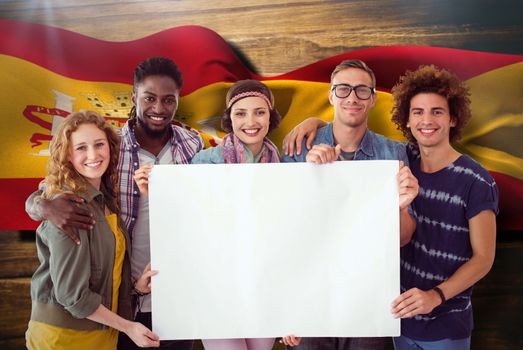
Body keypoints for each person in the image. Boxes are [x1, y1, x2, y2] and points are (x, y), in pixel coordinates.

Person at [25, 57, 203, 350]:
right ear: (134, 97)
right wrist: (44, 207)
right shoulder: (110, 148)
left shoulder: (191, 144)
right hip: (122, 300)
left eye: (168, 100)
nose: (159, 108)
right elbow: (50, 189)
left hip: (178, 291)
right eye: (149, 98)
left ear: (178, 100)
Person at [280, 59, 419, 350]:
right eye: (343, 90)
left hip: (369, 299)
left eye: (361, 90)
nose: (352, 98)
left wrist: (401, 207)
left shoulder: (394, 154)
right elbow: (284, 233)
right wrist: (285, 308)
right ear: (331, 95)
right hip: (311, 298)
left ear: (373, 98)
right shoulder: (298, 148)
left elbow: (404, 237)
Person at [134, 79, 280, 350]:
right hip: (214, 285)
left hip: (262, 284)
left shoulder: (281, 164)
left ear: (271, 116)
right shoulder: (206, 161)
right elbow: (186, 216)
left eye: (260, 112)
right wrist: (155, 193)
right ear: (230, 118)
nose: (251, 121)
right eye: (240, 113)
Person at [25, 111, 159, 349]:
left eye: (99, 144)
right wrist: (128, 326)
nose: (93, 155)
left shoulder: (104, 201)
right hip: (65, 337)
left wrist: (136, 287)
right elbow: (72, 297)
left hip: (102, 333)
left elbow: (103, 271)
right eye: (81, 148)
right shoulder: (68, 205)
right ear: (67, 154)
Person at [389, 65, 498, 350]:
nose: (427, 120)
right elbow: (357, 138)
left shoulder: (476, 180)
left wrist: (434, 296)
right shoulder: (401, 162)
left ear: (452, 119)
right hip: (398, 318)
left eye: (437, 111)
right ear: (407, 121)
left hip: (447, 325)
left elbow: (484, 258)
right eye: (418, 112)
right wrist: (313, 122)